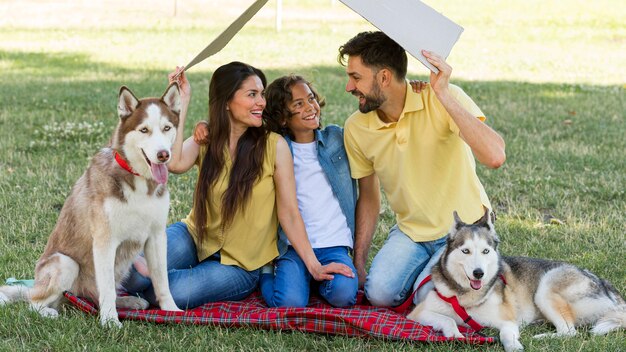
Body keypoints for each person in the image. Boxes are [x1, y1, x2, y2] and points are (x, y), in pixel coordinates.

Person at [123, 62, 353, 309]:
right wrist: (184, 99)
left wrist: (314, 265)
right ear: (226, 102)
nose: (261, 102)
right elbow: (175, 162)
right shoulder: (208, 138)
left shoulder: (274, 146)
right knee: (131, 272)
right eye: (252, 95)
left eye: (261, 94)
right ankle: (135, 286)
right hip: (195, 236)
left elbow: (289, 212)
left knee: (175, 292)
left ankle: (142, 289)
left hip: (241, 265)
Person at [338, 31, 506, 307]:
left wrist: (442, 93)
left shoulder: (442, 99)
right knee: (379, 294)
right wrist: (359, 263)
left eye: (356, 77)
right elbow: (369, 197)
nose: (348, 86)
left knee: (429, 297)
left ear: (384, 78)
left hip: (464, 229)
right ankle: (434, 273)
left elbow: (495, 156)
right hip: (411, 232)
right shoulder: (356, 128)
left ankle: (464, 266)